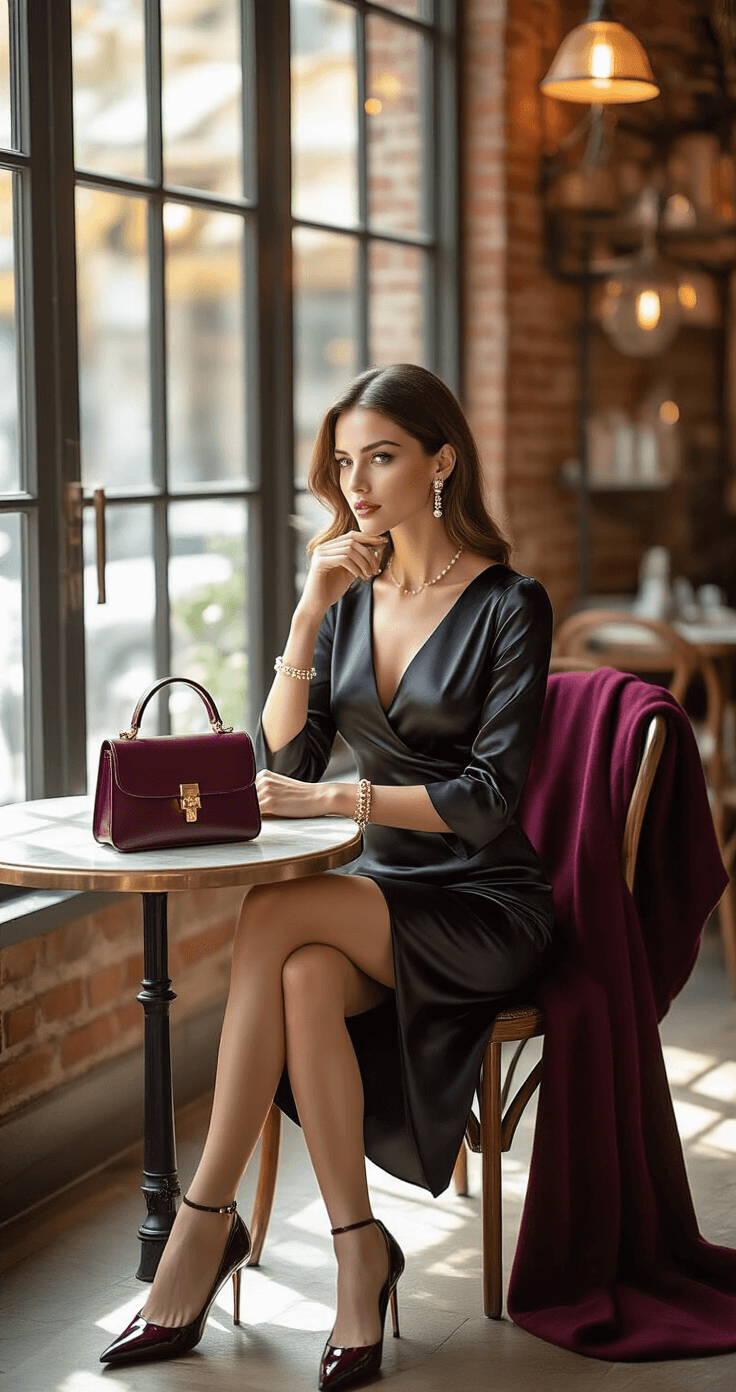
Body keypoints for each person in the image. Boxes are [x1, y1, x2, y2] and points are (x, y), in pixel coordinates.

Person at [100, 363, 555, 1389]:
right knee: (300, 973)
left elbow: (486, 799)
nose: (357, 482)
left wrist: (341, 806)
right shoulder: (349, 600)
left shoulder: (510, 604)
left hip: (483, 899)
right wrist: (308, 616)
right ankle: (360, 1251)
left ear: (442, 462)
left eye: (382, 457)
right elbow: (286, 765)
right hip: (379, 898)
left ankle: (200, 1225)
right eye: (344, 463)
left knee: (274, 916)